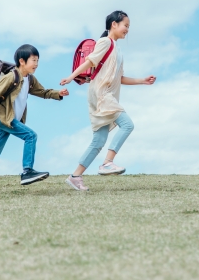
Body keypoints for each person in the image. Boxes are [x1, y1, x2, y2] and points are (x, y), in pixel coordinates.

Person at [60, 11, 156, 191]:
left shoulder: (118, 50)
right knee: (127, 125)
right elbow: (90, 61)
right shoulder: (105, 42)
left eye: (128, 27)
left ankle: (75, 176)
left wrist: (143, 80)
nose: (127, 30)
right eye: (125, 25)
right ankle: (107, 163)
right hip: (102, 94)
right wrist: (71, 76)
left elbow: (120, 78)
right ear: (114, 24)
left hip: (105, 95)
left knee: (98, 140)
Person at [0, 44, 69, 195]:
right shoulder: (11, 77)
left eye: (37, 60)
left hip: (9, 120)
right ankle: (27, 171)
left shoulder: (30, 79)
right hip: (3, 118)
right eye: (33, 60)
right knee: (31, 135)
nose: (36, 64)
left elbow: (43, 92)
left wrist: (58, 93)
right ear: (22, 61)